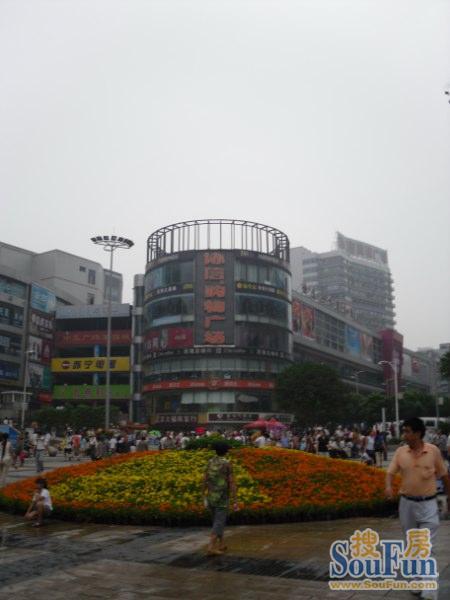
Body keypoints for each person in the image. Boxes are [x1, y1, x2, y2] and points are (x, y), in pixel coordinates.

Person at [386, 417, 450, 600]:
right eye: (404, 431)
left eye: (407, 431)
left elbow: (444, 476)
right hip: (406, 504)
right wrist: (388, 486)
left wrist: (449, 497)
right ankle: (416, 580)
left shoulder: (433, 451)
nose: (404, 435)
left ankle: (429, 590)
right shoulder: (401, 452)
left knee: (427, 546)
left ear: (418, 433)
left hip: (428, 504)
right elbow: (390, 472)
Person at [203, 441, 238, 556]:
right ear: (226, 451)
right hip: (222, 498)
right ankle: (210, 547)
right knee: (219, 522)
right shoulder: (227, 463)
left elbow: (205, 478)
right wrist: (235, 500)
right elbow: (231, 482)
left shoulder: (210, 461)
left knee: (217, 521)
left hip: (211, 496)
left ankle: (221, 544)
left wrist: (203, 494)